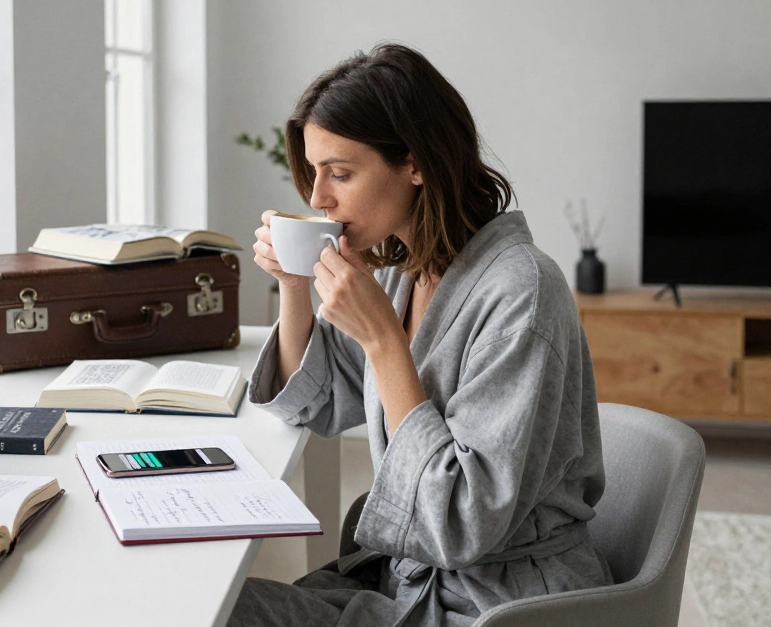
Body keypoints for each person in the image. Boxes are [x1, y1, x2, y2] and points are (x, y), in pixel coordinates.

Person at [229, 43, 614, 627]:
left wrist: (385, 341)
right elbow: (316, 401)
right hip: (410, 578)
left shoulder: (523, 292)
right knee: (216, 607)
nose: (317, 199)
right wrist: (293, 283)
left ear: (416, 163)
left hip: (496, 603)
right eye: (312, 173)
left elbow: (462, 520)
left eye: (340, 173)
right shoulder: (401, 270)